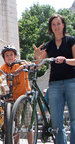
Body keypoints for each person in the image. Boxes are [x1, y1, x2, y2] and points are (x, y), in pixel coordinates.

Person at [34, 14, 75, 144]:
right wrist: (36, 56)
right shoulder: (49, 45)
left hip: (71, 82)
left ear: (63, 25)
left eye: (58, 23)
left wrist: (65, 60)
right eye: (53, 24)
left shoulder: (71, 41)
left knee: (74, 120)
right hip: (54, 85)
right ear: (51, 28)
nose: (56, 26)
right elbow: (38, 65)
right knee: (57, 123)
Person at [0, 45, 33, 144]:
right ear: (4, 58)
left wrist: (23, 67)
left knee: (29, 124)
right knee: (16, 125)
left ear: (15, 56)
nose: (9, 57)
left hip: (24, 97)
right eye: (7, 55)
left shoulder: (20, 63)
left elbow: (30, 65)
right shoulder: (5, 67)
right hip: (13, 98)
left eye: (11, 55)